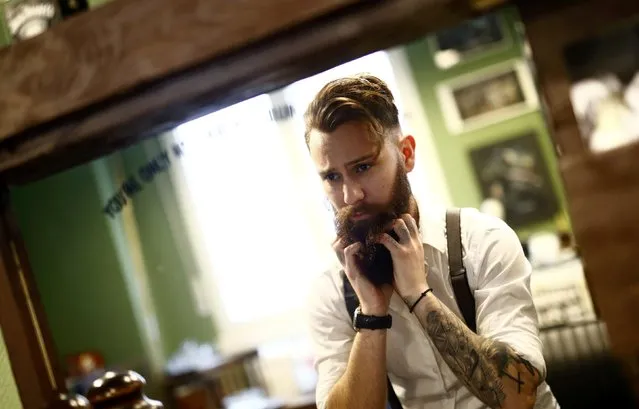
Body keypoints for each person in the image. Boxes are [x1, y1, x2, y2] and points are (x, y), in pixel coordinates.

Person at [304, 74, 559, 409]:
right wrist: (371, 315)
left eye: (363, 166)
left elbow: (518, 395)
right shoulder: (332, 292)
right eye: (332, 177)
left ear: (406, 154)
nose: (351, 195)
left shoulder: (482, 241)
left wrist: (419, 296)